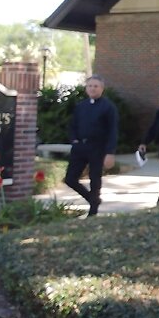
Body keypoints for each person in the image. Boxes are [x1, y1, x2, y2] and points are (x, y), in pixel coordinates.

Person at [63, 75, 119, 217]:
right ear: (86, 88)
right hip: (80, 147)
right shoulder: (81, 106)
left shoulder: (108, 107)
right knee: (70, 179)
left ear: (102, 88)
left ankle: (93, 212)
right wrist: (74, 140)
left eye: (96, 86)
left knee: (95, 179)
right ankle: (92, 199)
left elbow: (113, 130)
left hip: (98, 148)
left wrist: (110, 152)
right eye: (90, 86)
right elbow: (73, 125)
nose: (92, 88)